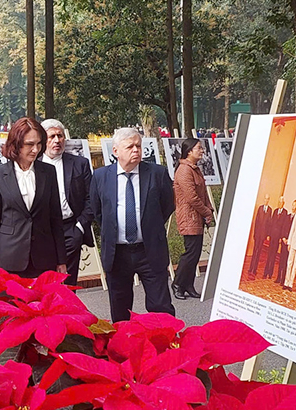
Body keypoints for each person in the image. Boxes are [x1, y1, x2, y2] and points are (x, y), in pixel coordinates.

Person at [90, 127, 176, 322]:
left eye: (138, 146)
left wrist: (149, 225)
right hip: (117, 253)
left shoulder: (157, 173)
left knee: (160, 306)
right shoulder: (101, 176)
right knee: (120, 309)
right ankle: (124, 349)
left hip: (149, 250)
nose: (136, 150)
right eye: (130, 146)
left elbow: (167, 205)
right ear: (116, 151)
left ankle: (164, 347)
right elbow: (98, 210)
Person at [0, 117, 67, 278]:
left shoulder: (48, 172)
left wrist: (61, 260)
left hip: (44, 259)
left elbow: (56, 219)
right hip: (9, 259)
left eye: (39, 143)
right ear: (16, 144)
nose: (35, 150)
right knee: (10, 303)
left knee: (42, 303)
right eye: (29, 144)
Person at [40, 118, 94, 286]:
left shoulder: (80, 164)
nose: (57, 140)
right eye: (52, 136)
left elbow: (91, 198)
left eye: (60, 135)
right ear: (43, 140)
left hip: (71, 228)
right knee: (46, 283)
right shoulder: (34, 165)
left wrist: (79, 226)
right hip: (43, 231)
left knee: (69, 283)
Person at [172, 138, 213, 300]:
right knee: (190, 253)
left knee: (195, 253)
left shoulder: (194, 169)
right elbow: (192, 198)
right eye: (199, 148)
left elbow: (202, 193)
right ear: (189, 151)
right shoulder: (184, 170)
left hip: (197, 216)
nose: (202, 151)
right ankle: (177, 283)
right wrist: (206, 212)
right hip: (189, 217)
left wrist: (208, 209)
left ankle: (187, 285)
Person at [263, 196, 288, 279]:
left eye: (281, 202)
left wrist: (281, 237)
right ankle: (265, 273)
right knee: (269, 254)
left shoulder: (285, 213)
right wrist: (269, 235)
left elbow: (284, 226)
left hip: (278, 238)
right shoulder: (275, 211)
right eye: (279, 202)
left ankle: (270, 273)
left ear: (283, 203)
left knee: (274, 255)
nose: (280, 204)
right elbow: (271, 224)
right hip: (272, 236)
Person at [247, 194, 272, 276]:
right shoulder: (260, 208)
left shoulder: (270, 210)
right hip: (257, 234)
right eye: (265, 199)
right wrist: (254, 233)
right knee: (255, 251)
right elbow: (256, 222)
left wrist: (267, 235)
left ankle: (255, 269)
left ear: (269, 200)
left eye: (268, 199)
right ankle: (251, 268)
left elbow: (269, 224)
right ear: (263, 199)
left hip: (263, 236)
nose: (266, 200)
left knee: (259, 253)